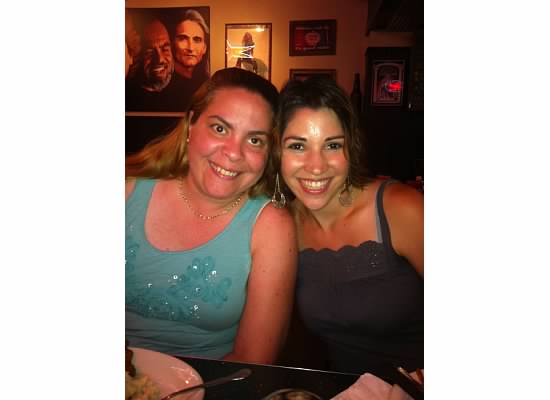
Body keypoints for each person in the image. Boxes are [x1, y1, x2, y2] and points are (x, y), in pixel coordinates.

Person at [125, 68, 298, 364]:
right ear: (191, 124)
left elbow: (252, 359)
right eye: (220, 129)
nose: (233, 152)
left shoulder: (270, 226)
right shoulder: (125, 191)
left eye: (255, 140)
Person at [274, 76, 423, 379]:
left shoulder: (401, 209)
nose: (316, 166)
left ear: (350, 148)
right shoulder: (282, 226)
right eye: (298, 146)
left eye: (332, 145)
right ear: (277, 152)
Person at [125, 17, 195, 112]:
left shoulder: (190, 92)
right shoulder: (127, 95)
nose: (160, 59)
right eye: (149, 52)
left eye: (165, 49)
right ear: (138, 55)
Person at [172, 9, 210, 85]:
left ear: (204, 48)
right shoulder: (162, 85)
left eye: (197, 40)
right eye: (183, 39)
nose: (190, 48)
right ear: (172, 44)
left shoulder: (208, 84)